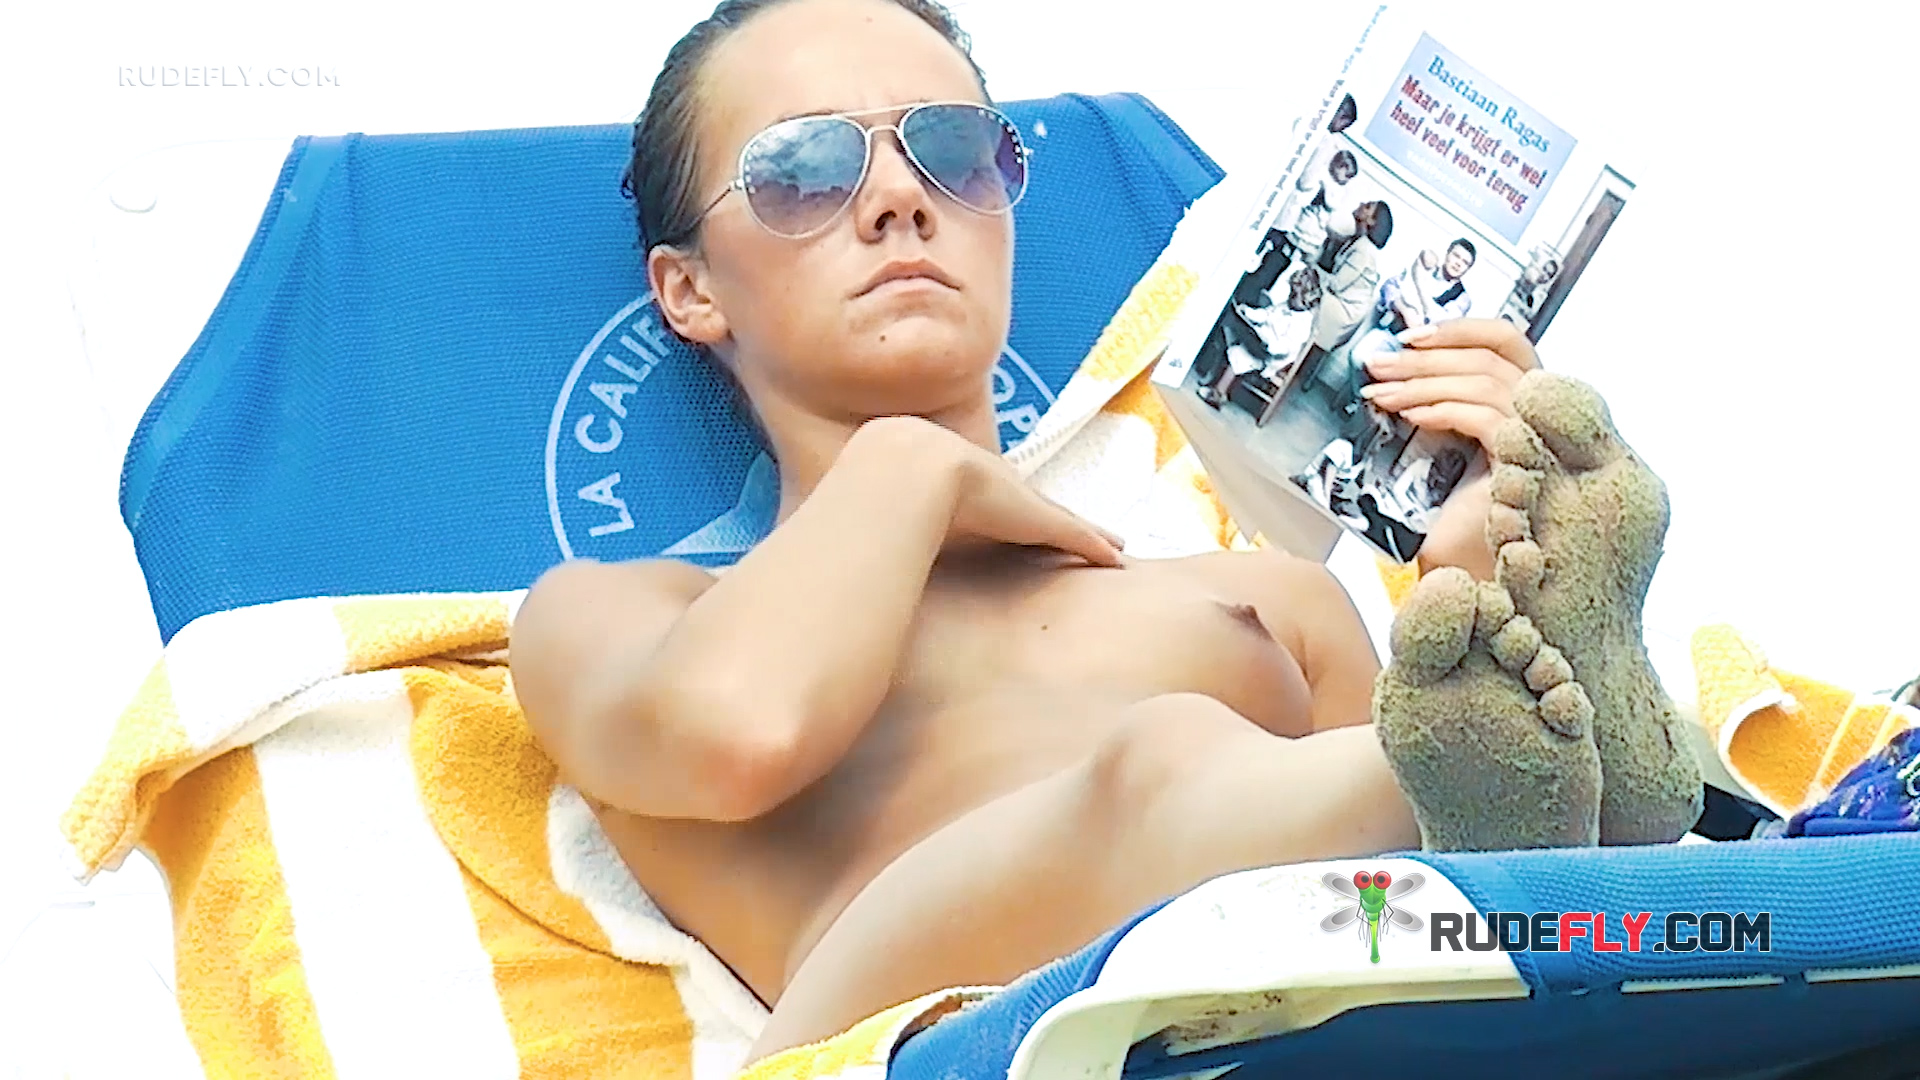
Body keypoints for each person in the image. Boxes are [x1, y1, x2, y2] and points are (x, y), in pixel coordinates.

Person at [510, 0, 1694, 1062]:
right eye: (805, 168)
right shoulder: (612, 614)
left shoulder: (1263, 595)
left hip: (1305, 994)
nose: (899, 198)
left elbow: (1428, 854)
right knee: (1168, 754)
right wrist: (908, 464)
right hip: (933, 1031)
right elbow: (743, 732)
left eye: (953, 151)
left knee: (1424, 779)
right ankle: (1554, 815)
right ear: (690, 290)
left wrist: (1482, 559)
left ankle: (1561, 780)